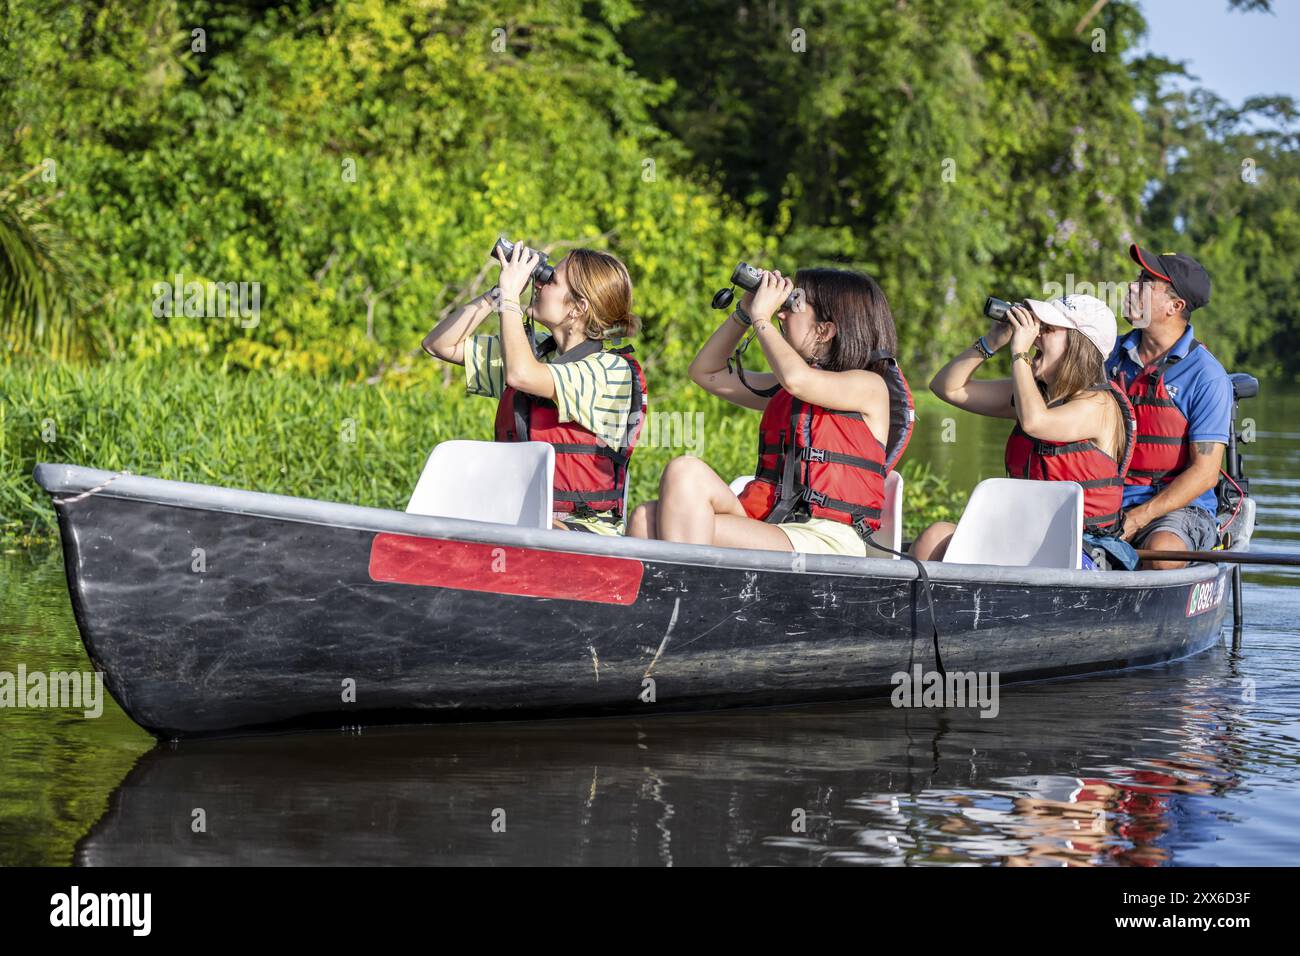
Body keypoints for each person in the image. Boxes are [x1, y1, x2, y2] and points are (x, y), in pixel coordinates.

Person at [628, 267, 913, 555]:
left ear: (824, 330)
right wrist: (744, 312)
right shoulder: (788, 388)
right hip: (774, 524)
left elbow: (797, 380)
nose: (781, 314)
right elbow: (706, 372)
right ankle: (657, 598)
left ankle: (690, 595)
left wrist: (761, 318)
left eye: (793, 304)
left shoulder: (869, 387)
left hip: (825, 540)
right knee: (651, 510)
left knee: (689, 517)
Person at [422, 242, 647, 534]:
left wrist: (511, 299)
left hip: (583, 533)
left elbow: (521, 375)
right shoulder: (536, 352)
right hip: (519, 520)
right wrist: (496, 295)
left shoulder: (609, 371)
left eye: (550, 280)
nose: (539, 285)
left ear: (578, 308)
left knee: (526, 531)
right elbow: (439, 344)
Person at [913, 294, 1135, 567]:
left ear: (1078, 346)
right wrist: (991, 342)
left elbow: (1035, 423)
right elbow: (948, 388)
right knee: (933, 537)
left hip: (1082, 547)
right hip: (1023, 536)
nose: (1036, 335)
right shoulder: (1034, 396)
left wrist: (1020, 353)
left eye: (1048, 329)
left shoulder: (1099, 406)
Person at [1108, 244, 1232, 569]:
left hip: (1180, 510)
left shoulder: (1207, 376)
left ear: (1174, 306)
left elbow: (1205, 474)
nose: (1132, 288)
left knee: (1162, 552)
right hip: (1108, 497)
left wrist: (1137, 519)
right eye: (1137, 278)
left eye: (1146, 283)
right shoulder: (1108, 355)